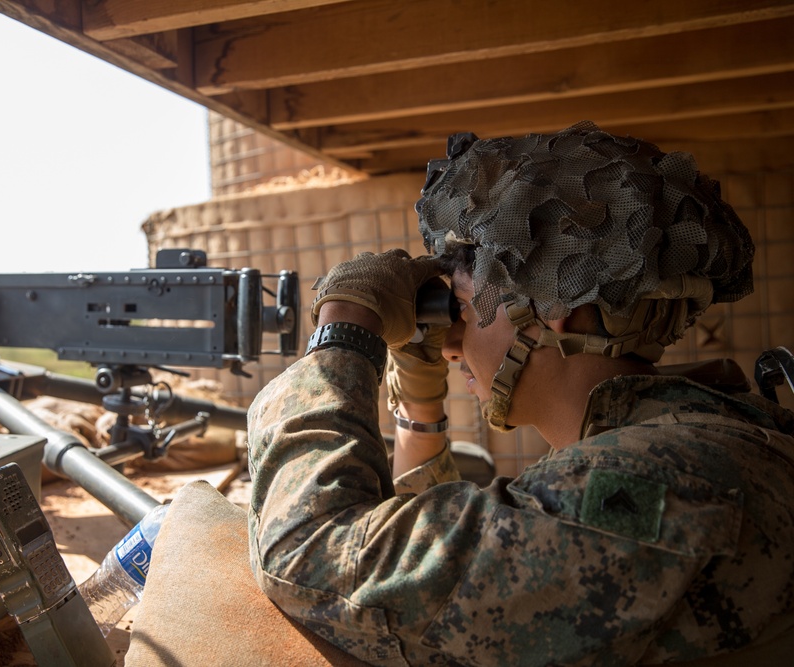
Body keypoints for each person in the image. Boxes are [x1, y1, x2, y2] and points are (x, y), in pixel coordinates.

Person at [245, 122, 794, 666]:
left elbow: (309, 560)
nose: (451, 342)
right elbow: (441, 553)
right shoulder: (688, 439)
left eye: (459, 306)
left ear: (557, 305)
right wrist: (419, 406)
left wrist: (343, 327)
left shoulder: (659, 484)